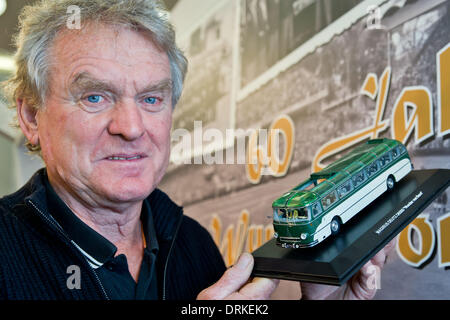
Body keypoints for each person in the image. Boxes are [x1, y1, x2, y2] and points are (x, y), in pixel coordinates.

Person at [0, 0, 393, 300]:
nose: (132, 127)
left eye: (152, 99)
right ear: (32, 115)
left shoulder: (194, 243)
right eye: (95, 96)